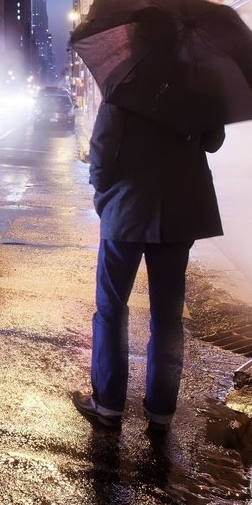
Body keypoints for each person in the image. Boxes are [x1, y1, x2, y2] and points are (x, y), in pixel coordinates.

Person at [72, 101, 225, 434]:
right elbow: (214, 141)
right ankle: (160, 412)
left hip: (126, 207)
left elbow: (103, 147)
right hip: (178, 210)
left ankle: (108, 405)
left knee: (111, 308)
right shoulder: (198, 83)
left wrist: (102, 189)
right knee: (168, 317)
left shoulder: (127, 80)